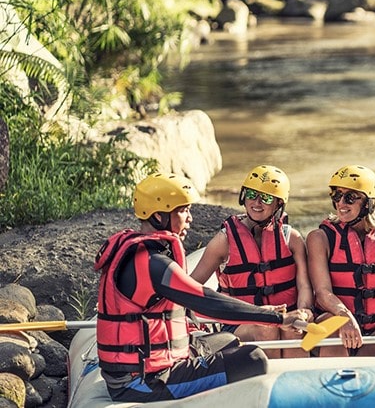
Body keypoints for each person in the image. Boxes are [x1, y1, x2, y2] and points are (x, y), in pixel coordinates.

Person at [95, 172, 311, 403]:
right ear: (159, 216)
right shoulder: (153, 264)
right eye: (183, 210)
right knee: (253, 358)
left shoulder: (147, 255)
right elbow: (204, 299)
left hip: (149, 367)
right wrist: (275, 318)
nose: (189, 218)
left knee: (228, 341)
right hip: (145, 382)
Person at [190, 165, 313, 358]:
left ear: (278, 204)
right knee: (265, 327)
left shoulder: (292, 239)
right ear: (243, 196)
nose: (257, 202)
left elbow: (304, 285)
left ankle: (295, 382)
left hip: (288, 318)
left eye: (266, 198)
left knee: (291, 328)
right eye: (251, 194)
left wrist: (304, 312)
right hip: (240, 323)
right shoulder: (224, 242)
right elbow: (190, 286)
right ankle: (266, 379)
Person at [306, 165, 375, 364]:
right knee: (334, 324)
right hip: (337, 325)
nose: (341, 203)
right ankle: (338, 386)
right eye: (337, 196)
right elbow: (322, 292)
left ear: (369, 203)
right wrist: (345, 316)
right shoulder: (319, 238)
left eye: (350, 197)